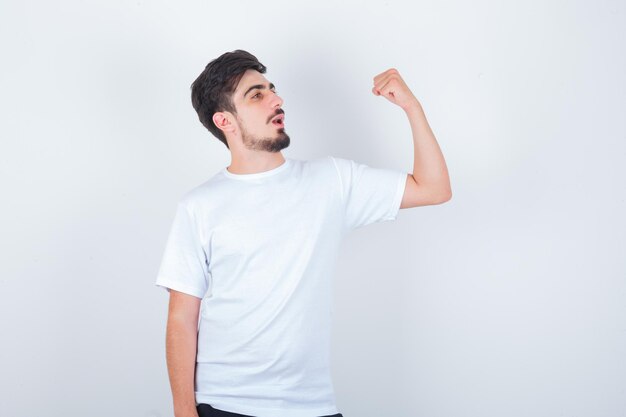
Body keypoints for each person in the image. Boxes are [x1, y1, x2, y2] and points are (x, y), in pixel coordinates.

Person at [156, 49, 451, 417]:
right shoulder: (199, 206)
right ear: (225, 121)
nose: (277, 100)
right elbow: (182, 318)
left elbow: (434, 188)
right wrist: (184, 410)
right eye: (256, 95)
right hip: (225, 404)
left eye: (272, 89)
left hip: (312, 406)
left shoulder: (332, 181)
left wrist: (412, 108)